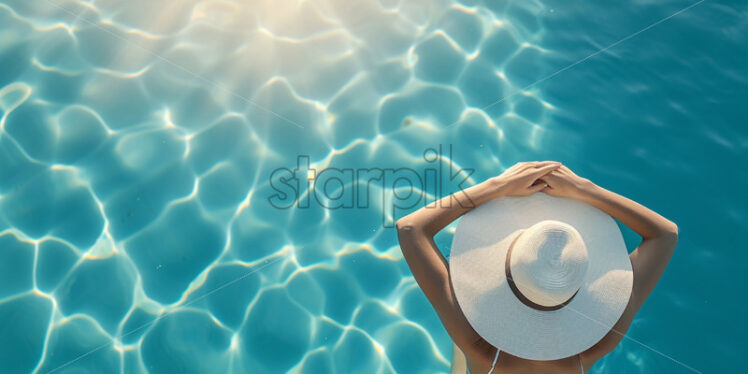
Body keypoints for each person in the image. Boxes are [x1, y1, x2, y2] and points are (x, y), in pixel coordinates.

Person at [396, 161, 678, 373]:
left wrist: (497, 185)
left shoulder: (479, 346)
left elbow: (411, 228)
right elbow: (665, 235)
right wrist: (587, 190)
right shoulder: (597, 345)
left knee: (462, 319)